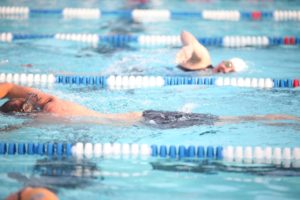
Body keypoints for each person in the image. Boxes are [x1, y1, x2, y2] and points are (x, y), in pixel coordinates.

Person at [0, 82, 299, 129]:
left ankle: (287, 119)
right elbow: (9, 89)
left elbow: (9, 89)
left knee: (234, 120)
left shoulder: (44, 111)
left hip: (148, 120)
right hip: (145, 118)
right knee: (231, 120)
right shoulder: (45, 106)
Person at [176, 31, 248, 73]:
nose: (226, 71)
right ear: (223, 61)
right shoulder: (203, 60)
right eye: (228, 65)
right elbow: (184, 34)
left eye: (231, 72)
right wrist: (190, 47)